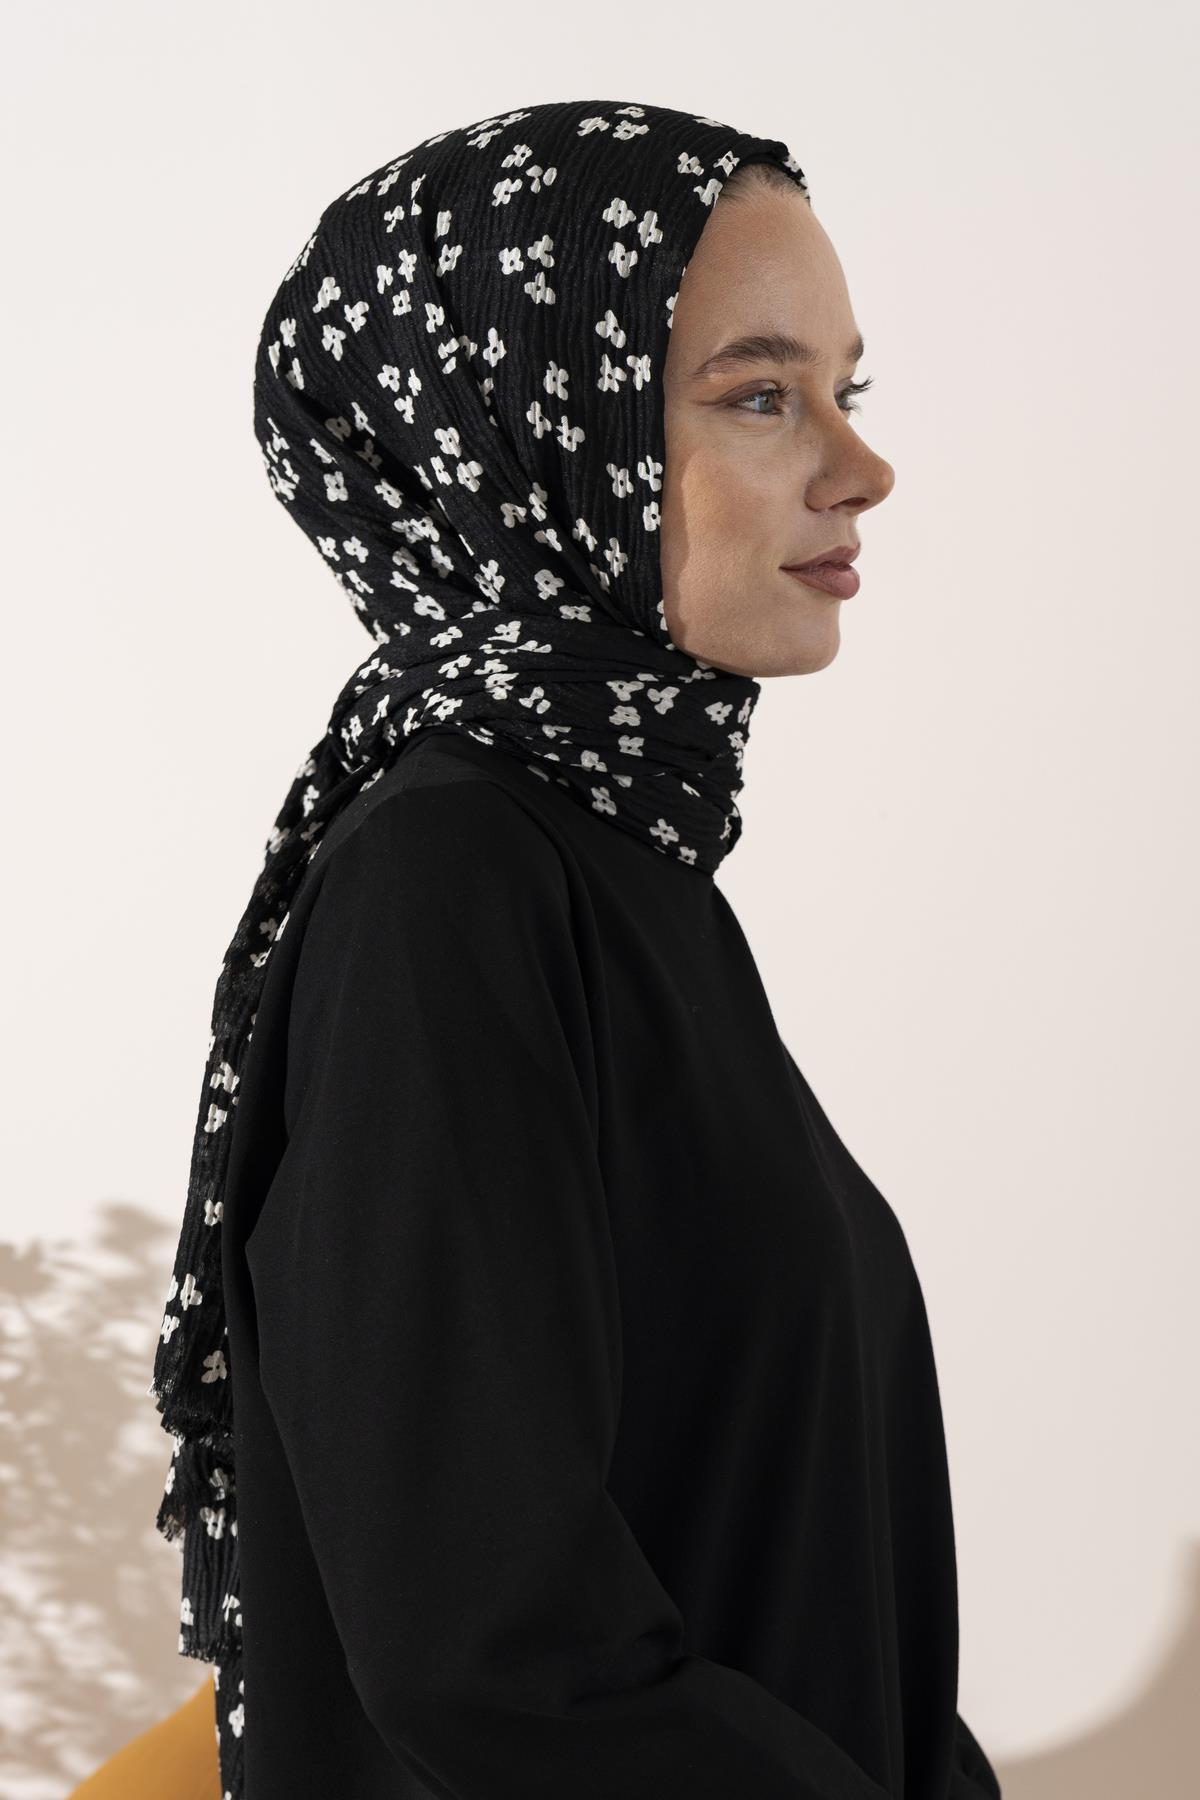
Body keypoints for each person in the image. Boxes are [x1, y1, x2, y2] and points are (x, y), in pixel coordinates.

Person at [94, 98, 1002, 1800]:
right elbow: (495, 1653)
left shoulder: (623, 872)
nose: (860, 467)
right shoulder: (448, 883)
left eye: (847, 389)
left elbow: (799, 1595)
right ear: (530, 440)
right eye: (760, 394)